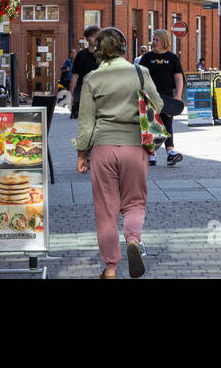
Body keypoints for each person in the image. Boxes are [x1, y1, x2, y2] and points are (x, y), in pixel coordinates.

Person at [75, 27, 162, 279]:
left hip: (103, 148)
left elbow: (86, 123)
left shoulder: (92, 78)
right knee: (135, 202)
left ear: (98, 50)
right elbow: (158, 104)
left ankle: (110, 268)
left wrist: (82, 154)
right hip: (135, 146)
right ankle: (133, 240)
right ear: (124, 47)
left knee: (106, 209)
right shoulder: (140, 72)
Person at [137, 29, 185, 167]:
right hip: (150, 97)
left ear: (164, 41)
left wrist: (177, 97)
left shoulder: (172, 58)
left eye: (157, 40)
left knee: (167, 123)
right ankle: (151, 154)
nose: (154, 42)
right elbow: (140, 76)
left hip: (167, 98)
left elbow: (178, 78)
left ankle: (170, 153)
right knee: (151, 124)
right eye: (153, 39)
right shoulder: (146, 58)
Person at [69, 25, 100, 119]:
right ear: (87, 38)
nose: (95, 38)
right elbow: (75, 75)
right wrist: (70, 94)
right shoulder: (81, 55)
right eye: (92, 36)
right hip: (85, 90)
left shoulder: (103, 54)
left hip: (101, 90)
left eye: (97, 36)